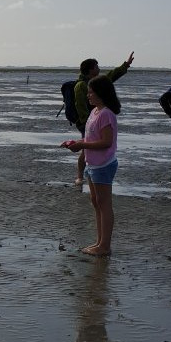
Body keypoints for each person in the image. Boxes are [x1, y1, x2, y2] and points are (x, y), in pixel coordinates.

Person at [61, 75, 120, 256]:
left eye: (91, 92)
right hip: (92, 164)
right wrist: (75, 142)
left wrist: (82, 146)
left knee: (104, 204)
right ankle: (99, 242)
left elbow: (106, 142)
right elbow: (91, 138)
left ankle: (105, 246)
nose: (88, 95)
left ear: (101, 93)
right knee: (96, 202)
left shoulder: (106, 114)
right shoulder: (94, 112)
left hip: (104, 164)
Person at [73, 51, 134, 186]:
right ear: (90, 69)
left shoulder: (98, 84)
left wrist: (126, 65)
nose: (99, 69)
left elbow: (111, 76)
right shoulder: (81, 85)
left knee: (87, 147)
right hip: (88, 123)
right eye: (96, 66)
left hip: (97, 121)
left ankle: (89, 173)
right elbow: (80, 105)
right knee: (85, 149)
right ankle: (79, 175)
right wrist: (85, 123)